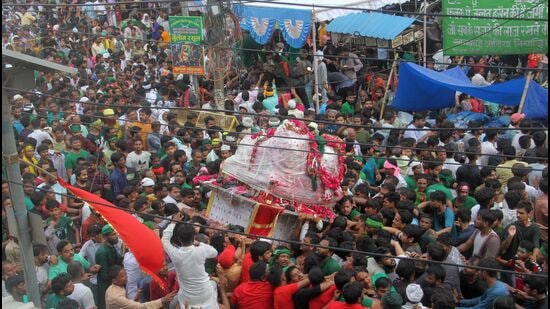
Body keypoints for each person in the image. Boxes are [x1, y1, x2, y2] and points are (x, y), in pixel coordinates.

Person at [161, 212, 219, 308]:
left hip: (187, 297)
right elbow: (214, 252)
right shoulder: (201, 250)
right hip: (205, 293)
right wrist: (199, 243)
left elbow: (164, 239)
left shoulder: (175, 254)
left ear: (179, 239)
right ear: (194, 237)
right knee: (213, 284)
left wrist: (173, 223)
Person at [105, 265, 176, 309]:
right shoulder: (116, 296)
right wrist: (162, 300)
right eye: (123, 276)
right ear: (114, 281)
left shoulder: (115, 287)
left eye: (126, 274)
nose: (126, 277)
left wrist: (135, 299)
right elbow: (139, 307)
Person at [95, 224, 122, 309]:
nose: (116, 236)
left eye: (116, 233)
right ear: (105, 237)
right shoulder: (102, 252)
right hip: (106, 287)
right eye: (113, 234)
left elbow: (119, 261)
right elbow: (104, 275)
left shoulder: (111, 247)